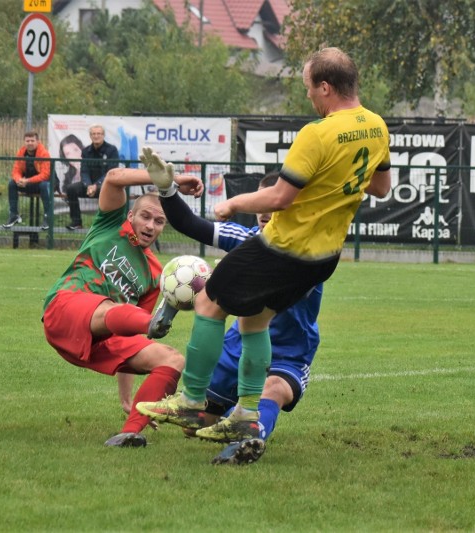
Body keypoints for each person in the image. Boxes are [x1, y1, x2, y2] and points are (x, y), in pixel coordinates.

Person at [137, 47, 392, 461]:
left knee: (207, 299)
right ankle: (245, 413)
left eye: (310, 87)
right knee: (255, 321)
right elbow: (380, 188)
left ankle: (190, 400)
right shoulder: (377, 127)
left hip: (286, 247)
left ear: (325, 87)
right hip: (324, 258)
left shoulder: (318, 132)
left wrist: (234, 204)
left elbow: (281, 196)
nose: (309, 95)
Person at [126, 170, 323, 465]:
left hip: (289, 354)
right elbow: (191, 224)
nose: (264, 212)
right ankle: (225, 414)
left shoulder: (309, 256)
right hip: (234, 350)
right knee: (197, 430)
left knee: (273, 390)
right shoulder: (248, 240)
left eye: (273, 204)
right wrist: (167, 189)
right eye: (259, 202)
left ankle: (250, 438)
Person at [42, 148, 203, 448]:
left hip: (100, 337)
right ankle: (155, 321)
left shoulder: (156, 274)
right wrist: (171, 182)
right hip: (66, 308)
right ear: (131, 215)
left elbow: (129, 333)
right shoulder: (110, 224)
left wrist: (126, 397)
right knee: (115, 311)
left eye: (158, 222)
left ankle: (131, 431)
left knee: (172, 359)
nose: (150, 226)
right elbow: (114, 179)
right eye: (145, 216)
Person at [65, 124, 119, 230]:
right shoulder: (86, 151)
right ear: (90, 136)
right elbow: (84, 171)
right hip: (89, 185)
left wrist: (97, 185)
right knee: (71, 189)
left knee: (111, 192)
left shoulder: (112, 150)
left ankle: (106, 224)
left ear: (103, 135)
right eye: (93, 134)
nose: (96, 136)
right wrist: (89, 185)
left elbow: (110, 172)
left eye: (99, 134)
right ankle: (76, 222)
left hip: (106, 186)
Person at [3, 131, 52, 230]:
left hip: (46, 183)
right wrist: (19, 180)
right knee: (12, 184)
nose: (30, 143)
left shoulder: (44, 153)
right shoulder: (21, 152)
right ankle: (14, 215)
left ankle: (48, 216)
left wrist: (28, 180)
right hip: (29, 183)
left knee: (44, 185)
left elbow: (45, 175)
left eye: (32, 140)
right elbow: (16, 171)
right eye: (27, 141)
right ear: (24, 142)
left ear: (38, 141)